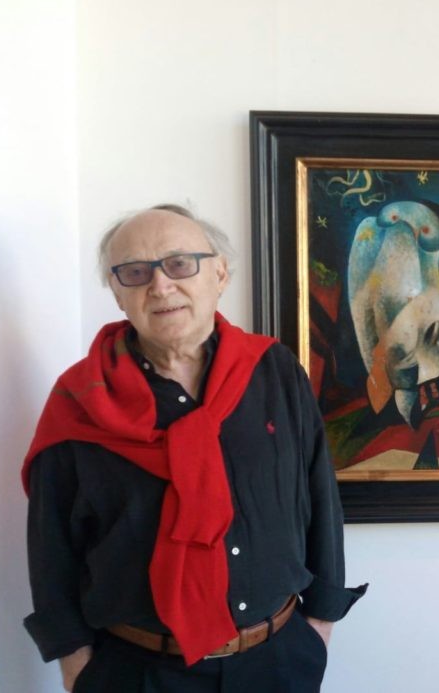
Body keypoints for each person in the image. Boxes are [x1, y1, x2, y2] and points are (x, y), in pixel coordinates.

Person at [22, 204, 366, 692]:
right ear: (118, 293)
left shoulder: (275, 370)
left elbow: (319, 496)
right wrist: (76, 665)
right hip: (138, 673)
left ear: (219, 273)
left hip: (279, 662)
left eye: (179, 264)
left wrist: (320, 625)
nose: (160, 286)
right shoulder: (79, 399)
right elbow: (51, 544)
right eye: (135, 273)